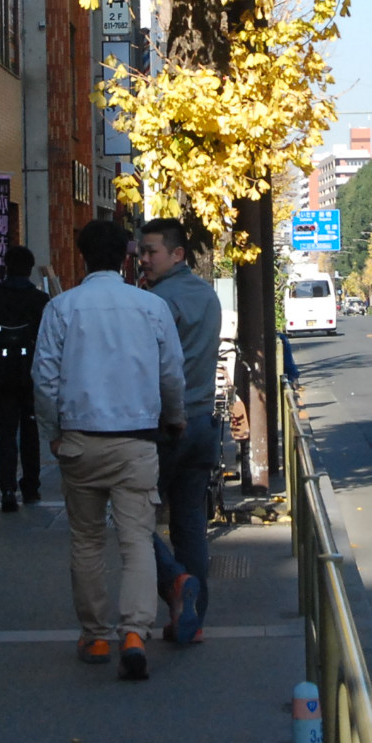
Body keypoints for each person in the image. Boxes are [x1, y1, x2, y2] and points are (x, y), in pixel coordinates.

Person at [33, 218, 185, 681]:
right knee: (136, 538)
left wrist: (52, 432)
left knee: (86, 539)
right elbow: (171, 373)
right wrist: (173, 416)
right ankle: (135, 632)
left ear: (81, 256)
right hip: (136, 439)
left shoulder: (61, 307)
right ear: (124, 256)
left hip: (79, 439)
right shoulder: (150, 306)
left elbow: (44, 378)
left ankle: (96, 634)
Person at [138, 217, 224, 645]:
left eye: (152, 251)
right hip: (204, 424)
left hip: (164, 426)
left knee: (133, 518)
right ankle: (193, 619)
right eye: (142, 251)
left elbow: (152, 368)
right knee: (191, 524)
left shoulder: (157, 303)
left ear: (177, 254)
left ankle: (174, 582)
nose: (144, 259)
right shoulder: (208, 297)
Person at [0, 244, 50, 512]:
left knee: (5, 432)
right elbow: (48, 344)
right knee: (31, 431)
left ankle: (7, 489)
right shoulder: (40, 302)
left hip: (1, 376)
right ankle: (30, 486)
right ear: (30, 269)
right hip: (31, 376)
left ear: (6, 266)